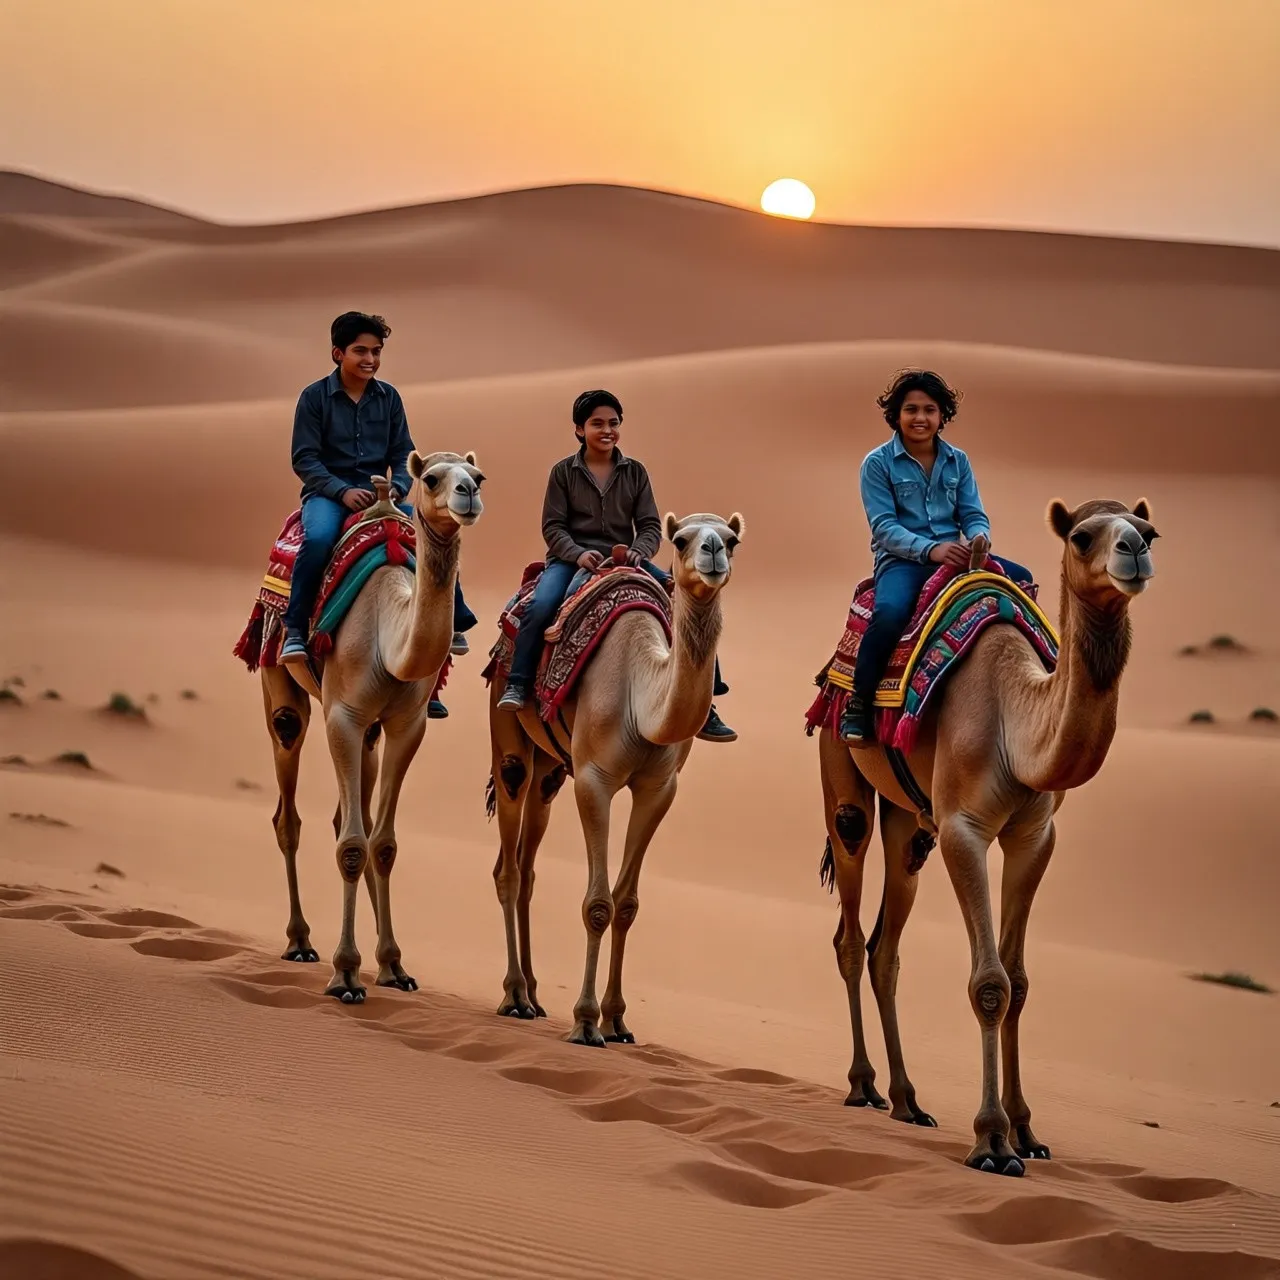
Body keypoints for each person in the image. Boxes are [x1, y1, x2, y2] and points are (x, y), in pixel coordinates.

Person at [496, 389, 736, 742]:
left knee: (687, 603)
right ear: (579, 429)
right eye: (597, 424)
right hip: (571, 560)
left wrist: (640, 550)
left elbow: (651, 525)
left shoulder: (634, 472)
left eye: (613, 423)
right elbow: (553, 526)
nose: (607, 430)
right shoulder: (563, 473)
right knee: (542, 605)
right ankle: (518, 683)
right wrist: (577, 553)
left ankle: (707, 702)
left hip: (626, 558)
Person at [280, 311, 476, 717]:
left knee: (433, 536)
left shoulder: (389, 398)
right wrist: (341, 490)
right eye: (361, 351)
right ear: (338, 353)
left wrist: (400, 488)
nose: (370, 359)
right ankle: (296, 630)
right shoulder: (314, 399)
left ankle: (453, 622)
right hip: (328, 495)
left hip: (381, 494)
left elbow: (402, 451)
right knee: (317, 540)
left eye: (376, 352)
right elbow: (305, 459)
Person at [839, 369, 1032, 747]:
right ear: (896, 415)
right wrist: (933, 550)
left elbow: (973, 512)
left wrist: (979, 538)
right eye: (911, 409)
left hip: (958, 556)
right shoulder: (877, 464)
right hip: (902, 561)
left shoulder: (957, 461)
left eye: (930, 409)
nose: (920, 418)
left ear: (943, 416)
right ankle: (859, 705)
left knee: (1022, 581)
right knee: (890, 613)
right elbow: (884, 528)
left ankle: (1029, 684)